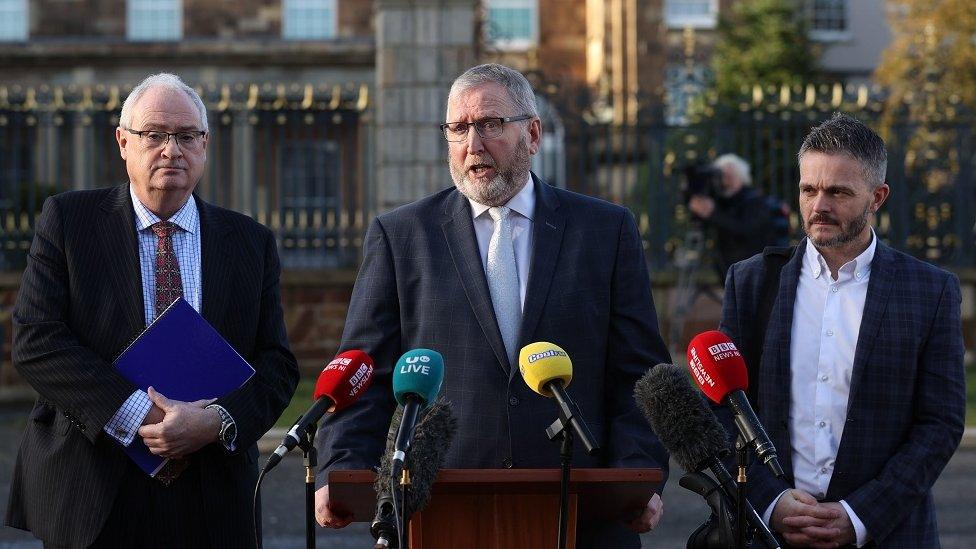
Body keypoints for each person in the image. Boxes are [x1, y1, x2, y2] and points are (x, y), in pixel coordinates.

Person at [314, 63, 671, 547]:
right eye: (458, 128)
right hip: (438, 509)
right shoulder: (402, 236)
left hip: (581, 511)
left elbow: (638, 373)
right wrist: (342, 468)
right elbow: (363, 371)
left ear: (533, 134)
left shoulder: (605, 231)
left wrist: (638, 475)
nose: (473, 145)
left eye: (490, 125)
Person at [6, 73, 299, 549]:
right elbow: (37, 341)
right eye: (154, 135)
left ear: (204, 145)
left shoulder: (250, 242)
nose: (172, 150)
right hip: (96, 486)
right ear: (123, 142)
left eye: (187, 136)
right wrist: (141, 413)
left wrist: (216, 422)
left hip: (211, 495)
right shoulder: (68, 222)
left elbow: (277, 365)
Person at [720, 113, 965, 547]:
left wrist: (859, 515)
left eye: (838, 192)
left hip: (888, 535)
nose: (819, 207)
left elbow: (940, 423)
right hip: (771, 535)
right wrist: (772, 503)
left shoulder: (930, 291)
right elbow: (723, 411)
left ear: (878, 197)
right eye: (808, 189)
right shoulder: (753, 283)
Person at [687, 153, 784, 280]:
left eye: (729, 176)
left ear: (741, 178)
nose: (725, 181)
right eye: (721, 176)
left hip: (754, 270)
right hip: (728, 269)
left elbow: (745, 231)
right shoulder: (721, 200)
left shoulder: (754, 201)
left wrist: (712, 214)